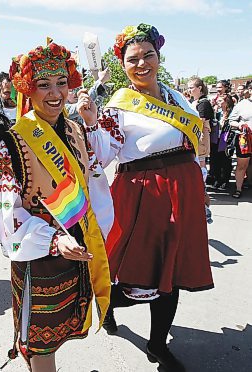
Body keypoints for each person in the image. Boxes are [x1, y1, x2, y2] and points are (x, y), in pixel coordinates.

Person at [86, 24, 213, 371]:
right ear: (122, 66)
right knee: (137, 277)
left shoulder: (176, 97)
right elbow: (101, 155)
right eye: (132, 59)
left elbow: (192, 143)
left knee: (171, 275)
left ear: (158, 56)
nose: (141, 64)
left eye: (148, 56)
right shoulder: (118, 106)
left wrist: (200, 187)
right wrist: (88, 122)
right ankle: (108, 306)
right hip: (143, 192)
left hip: (182, 190)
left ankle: (158, 345)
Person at [0, 42, 112, 372]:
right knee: (41, 340)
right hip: (39, 253)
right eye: (44, 85)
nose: (55, 93)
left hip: (78, 243)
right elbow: (5, 211)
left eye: (61, 82)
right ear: (29, 88)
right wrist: (53, 240)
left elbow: (93, 177)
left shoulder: (74, 129)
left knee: (63, 329)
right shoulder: (12, 141)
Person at [187, 77, 214, 222]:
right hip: (194, 139)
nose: (189, 90)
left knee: (201, 172)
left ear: (200, 88)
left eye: (192, 87)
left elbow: (200, 121)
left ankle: (205, 209)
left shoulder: (203, 103)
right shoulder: (193, 102)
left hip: (201, 140)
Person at [229, 80, 252, 198]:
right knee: (242, 165)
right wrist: (240, 125)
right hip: (245, 139)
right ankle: (238, 189)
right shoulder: (242, 104)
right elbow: (231, 120)